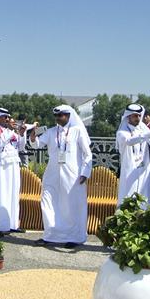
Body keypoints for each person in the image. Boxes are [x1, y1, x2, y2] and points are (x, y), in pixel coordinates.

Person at [30, 105, 93, 248]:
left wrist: (85, 172)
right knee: (48, 202)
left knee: (71, 206)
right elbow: (37, 144)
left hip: (73, 176)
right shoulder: (51, 132)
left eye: (61, 115)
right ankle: (50, 235)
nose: (58, 118)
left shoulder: (77, 132)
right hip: (52, 173)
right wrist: (33, 137)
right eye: (57, 116)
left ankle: (75, 237)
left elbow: (87, 154)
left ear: (69, 116)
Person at [0, 108, 27, 235]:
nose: (8, 119)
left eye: (8, 117)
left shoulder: (10, 132)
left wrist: (22, 133)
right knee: (0, 195)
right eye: (5, 117)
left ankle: (12, 224)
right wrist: (10, 131)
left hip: (13, 164)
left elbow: (21, 146)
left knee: (13, 195)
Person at [117, 104, 150, 205]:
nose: (138, 118)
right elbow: (129, 141)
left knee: (145, 200)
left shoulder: (143, 129)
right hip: (129, 172)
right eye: (135, 116)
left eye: (139, 116)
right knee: (128, 199)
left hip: (144, 171)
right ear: (128, 116)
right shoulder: (122, 132)